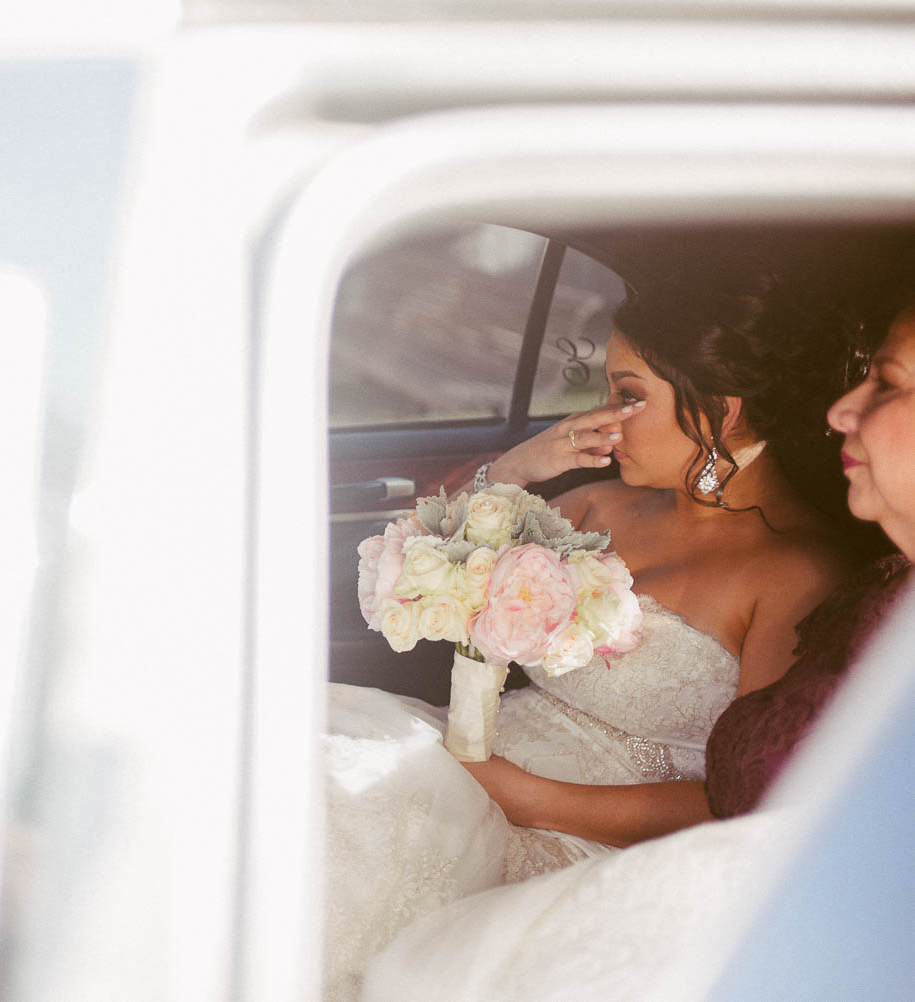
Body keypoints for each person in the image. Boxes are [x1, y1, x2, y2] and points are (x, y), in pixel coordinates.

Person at [354, 272, 915, 1002]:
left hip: (581, 832)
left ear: (718, 406)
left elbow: (750, 802)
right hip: (476, 763)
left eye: (629, 395)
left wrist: (527, 797)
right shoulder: (597, 503)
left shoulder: (796, 574)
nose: (608, 421)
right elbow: (419, 555)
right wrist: (521, 467)